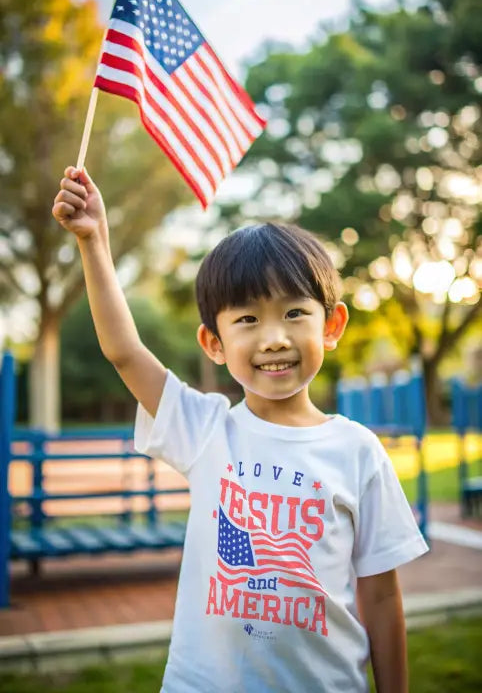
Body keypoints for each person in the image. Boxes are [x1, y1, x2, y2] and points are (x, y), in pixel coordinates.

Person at [52, 166, 429, 693]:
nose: (273, 338)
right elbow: (124, 351)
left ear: (333, 325)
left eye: (295, 312)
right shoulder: (204, 427)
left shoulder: (358, 451)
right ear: (214, 342)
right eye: (247, 320)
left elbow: (383, 597)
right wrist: (94, 240)